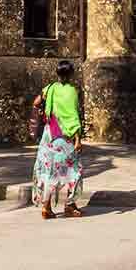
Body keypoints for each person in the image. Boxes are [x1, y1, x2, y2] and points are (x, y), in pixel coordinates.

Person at [31, 59, 84, 218]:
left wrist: (44, 110)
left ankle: (46, 207)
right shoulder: (72, 91)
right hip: (64, 136)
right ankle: (69, 205)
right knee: (74, 170)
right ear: (71, 74)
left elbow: (36, 102)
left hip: (48, 136)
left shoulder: (50, 88)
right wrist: (77, 139)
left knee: (48, 171)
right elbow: (72, 117)